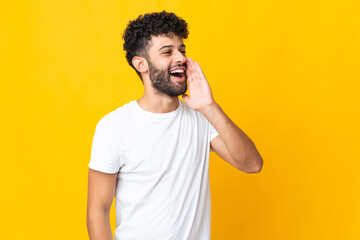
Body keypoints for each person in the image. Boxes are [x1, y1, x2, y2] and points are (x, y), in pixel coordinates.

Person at [86, 11, 263, 240]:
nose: (180, 58)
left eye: (182, 50)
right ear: (141, 64)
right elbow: (97, 213)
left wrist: (210, 107)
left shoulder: (201, 118)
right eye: (167, 51)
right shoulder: (114, 127)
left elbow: (252, 164)